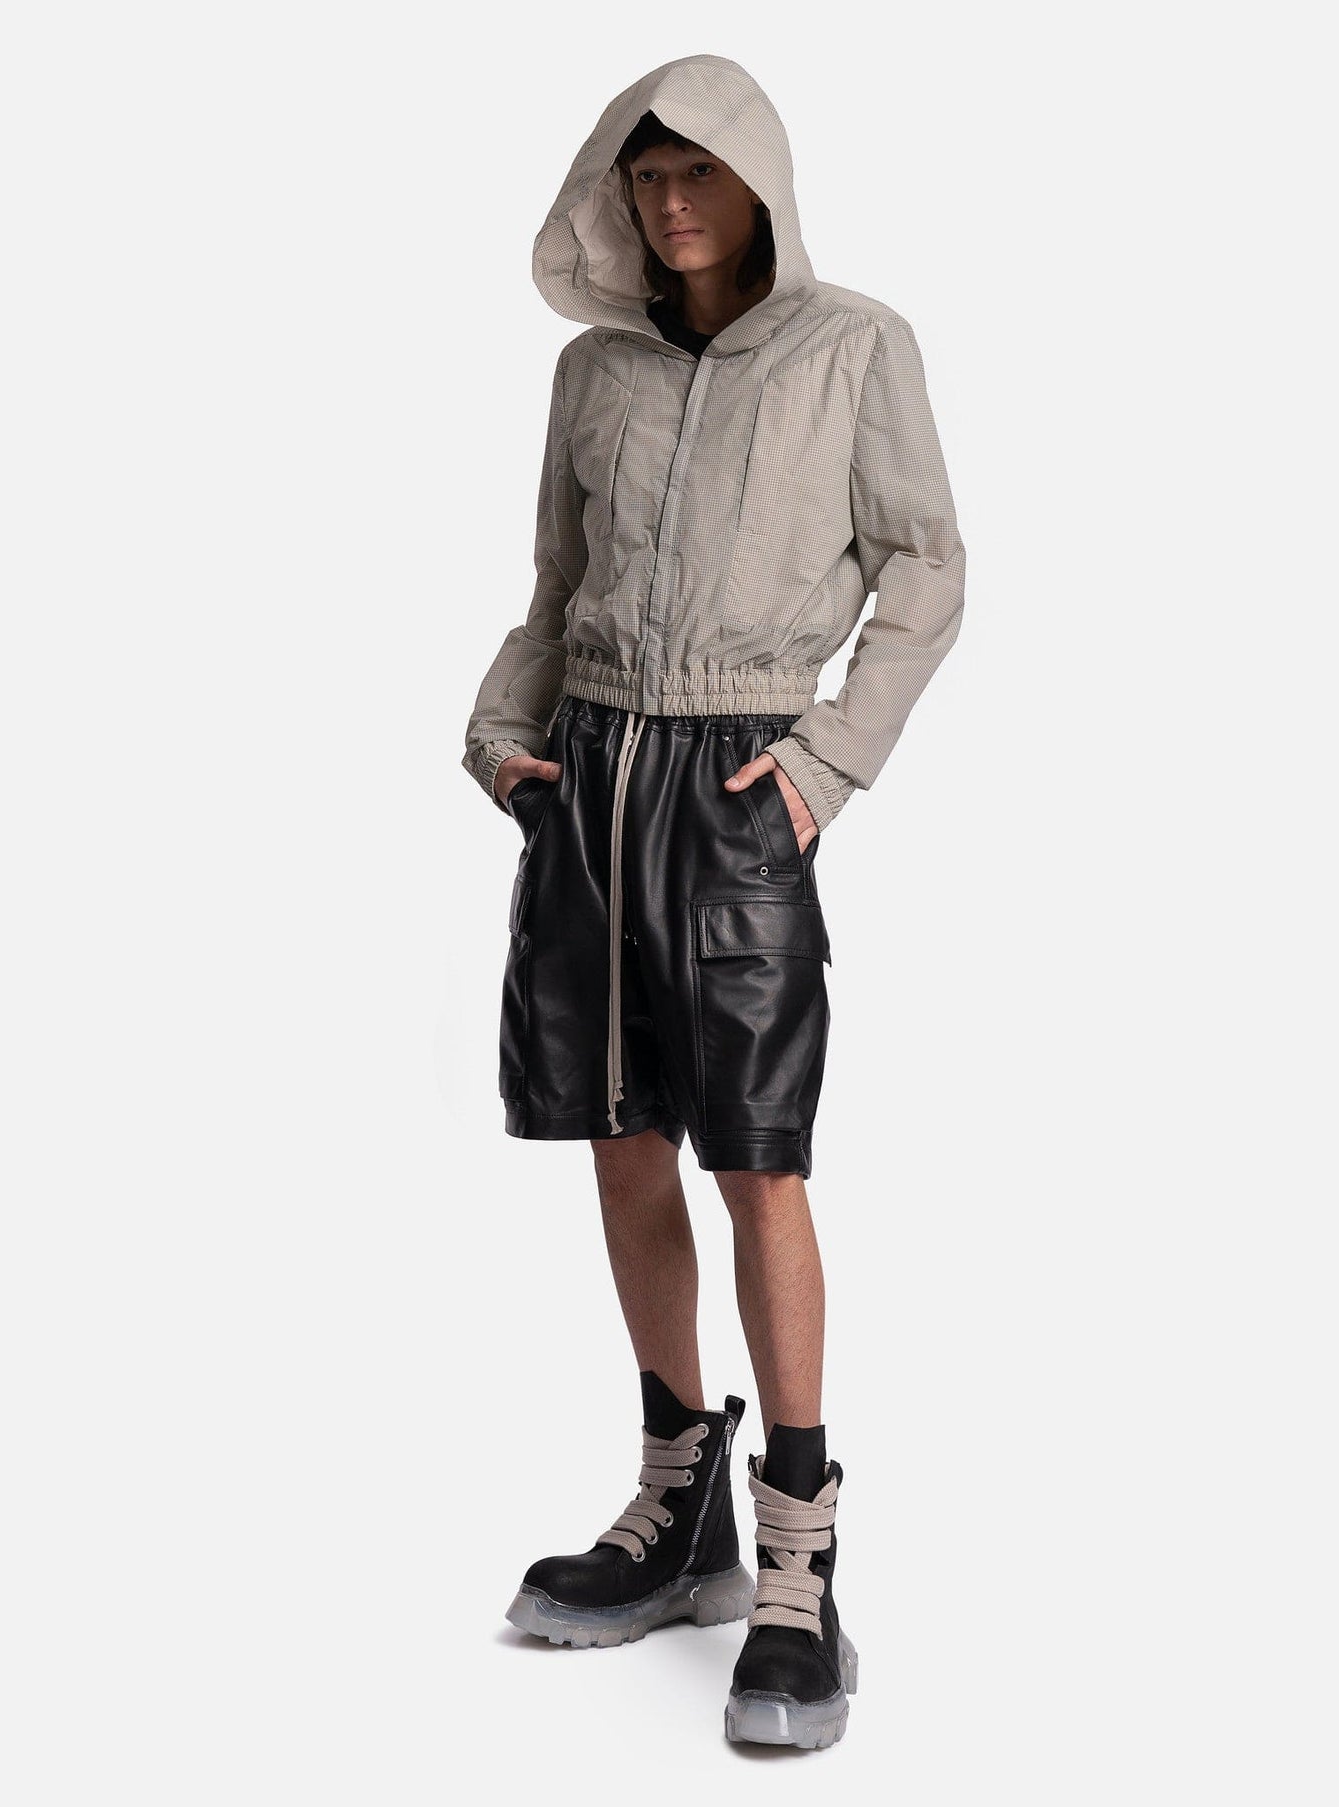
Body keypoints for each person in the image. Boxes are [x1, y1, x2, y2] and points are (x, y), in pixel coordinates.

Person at [463, 53, 966, 1749]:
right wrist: (499, 738)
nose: (670, 204)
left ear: (758, 181)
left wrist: (826, 764)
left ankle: (797, 1566)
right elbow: (558, 583)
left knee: (758, 1159)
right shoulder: (591, 369)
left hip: (738, 783)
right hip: (587, 776)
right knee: (618, 1140)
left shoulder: (853, 348)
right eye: (644, 178)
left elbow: (928, 563)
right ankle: (674, 1508)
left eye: (698, 174)